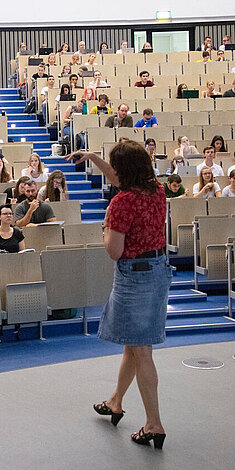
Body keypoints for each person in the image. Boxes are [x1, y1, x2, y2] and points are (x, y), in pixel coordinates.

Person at [66, 141, 169, 447]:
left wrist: (105, 227)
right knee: (132, 345)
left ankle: (154, 424)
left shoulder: (121, 203)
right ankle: (115, 402)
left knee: (141, 349)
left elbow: (114, 251)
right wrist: (93, 158)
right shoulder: (157, 189)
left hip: (134, 276)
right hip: (158, 268)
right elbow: (118, 178)